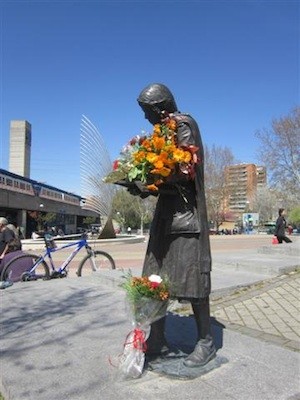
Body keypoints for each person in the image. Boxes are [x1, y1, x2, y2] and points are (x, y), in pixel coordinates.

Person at [129, 83, 216, 368]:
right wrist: (142, 185)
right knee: (156, 279)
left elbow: (184, 169)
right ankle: (157, 336)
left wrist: (149, 180)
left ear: (160, 108)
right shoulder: (160, 131)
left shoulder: (183, 124)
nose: (145, 118)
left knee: (193, 281)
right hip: (165, 216)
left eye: (147, 112)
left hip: (185, 219)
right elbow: (164, 174)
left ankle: (206, 342)